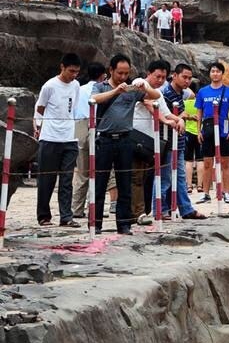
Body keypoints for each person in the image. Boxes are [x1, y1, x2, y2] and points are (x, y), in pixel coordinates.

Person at [91, 54, 161, 234]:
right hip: (105, 139)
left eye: (126, 73)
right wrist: (116, 91)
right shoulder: (101, 86)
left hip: (125, 140)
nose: (123, 77)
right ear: (111, 70)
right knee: (100, 183)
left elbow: (156, 95)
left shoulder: (132, 90)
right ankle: (95, 224)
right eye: (120, 73)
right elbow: (94, 99)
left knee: (125, 184)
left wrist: (143, 85)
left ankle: (123, 224)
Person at [130, 60, 182, 224]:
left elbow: (166, 112)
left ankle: (144, 211)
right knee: (136, 176)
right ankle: (136, 213)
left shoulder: (158, 92)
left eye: (163, 77)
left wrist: (179, 120)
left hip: (150, 143)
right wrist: (166, 121)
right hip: (136, 137)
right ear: (149, 73)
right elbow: (149, 105)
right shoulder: (140, 84)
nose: (160, 80)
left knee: (146, 177)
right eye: (157, 76)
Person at [34, 54, 82, 227]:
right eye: (71, 71)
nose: (74, 75)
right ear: (62, 67)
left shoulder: (76, 85)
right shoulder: (50, 86)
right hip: (50, 137)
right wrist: (38, 126)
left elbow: (74, 108)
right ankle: (44, 215)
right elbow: (40, 107)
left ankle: (66, 216)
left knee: (67, 179)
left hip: (69, 137)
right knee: (47, 179)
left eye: (77, 72)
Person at [161, 64, 207, 220]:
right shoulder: (166, 94)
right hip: (168, 142)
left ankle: (178, 209)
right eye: (184, 77)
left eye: (189, 78)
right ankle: (165, 210)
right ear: (174, 76)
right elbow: (164, 116)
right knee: (168, 177)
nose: (187, 81)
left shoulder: (180, 94)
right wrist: (182, 116)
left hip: (179, 141)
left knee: (176, 177)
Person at [195, 62, 229, 204]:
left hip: (224, 130)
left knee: (226, 163)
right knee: (207, 163)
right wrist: (198, 131)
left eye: (218, 71)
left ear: (222, 73)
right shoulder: (202, 92)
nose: (215, 74)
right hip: (207, 131)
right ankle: (206, 193)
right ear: (209, 74)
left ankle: (227, 192)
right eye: (212, 71)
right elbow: (199, 111)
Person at [71, 62, 108, 219]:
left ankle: (76, 209)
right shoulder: (101, 90)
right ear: (102, 76)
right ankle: (94, 207)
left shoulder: (79, 88)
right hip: (96, 125)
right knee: (99, 170)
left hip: (78, 127)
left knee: (82, 171)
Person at [183, 81, 203, 193]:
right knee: (200, 159)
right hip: (200, 132)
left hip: (188, 132)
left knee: (188, 160)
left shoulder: (184, 102)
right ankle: (200, 186)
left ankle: (189, 186)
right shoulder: (200, 103)